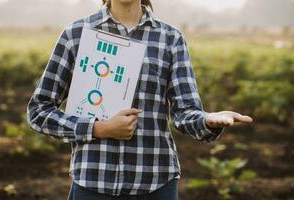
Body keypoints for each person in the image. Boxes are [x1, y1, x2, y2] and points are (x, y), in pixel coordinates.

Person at [26, 0, 253, 199]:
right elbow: (39, 111)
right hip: (94, 183)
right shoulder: (77, 34)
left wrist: (207, 120)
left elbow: (185, 112)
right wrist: (98, 129)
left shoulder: (170, 39)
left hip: (156, 184)